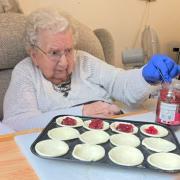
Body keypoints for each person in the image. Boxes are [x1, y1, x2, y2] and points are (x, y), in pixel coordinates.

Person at [2, 9, 180, 131]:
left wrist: (144, 76)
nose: (64, 62)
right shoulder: (25, 72)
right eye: (54, 53)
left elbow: (120, 83)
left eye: (69, 50)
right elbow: (18, 124)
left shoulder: (84, 60)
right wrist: (81, 113)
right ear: (34, 54)